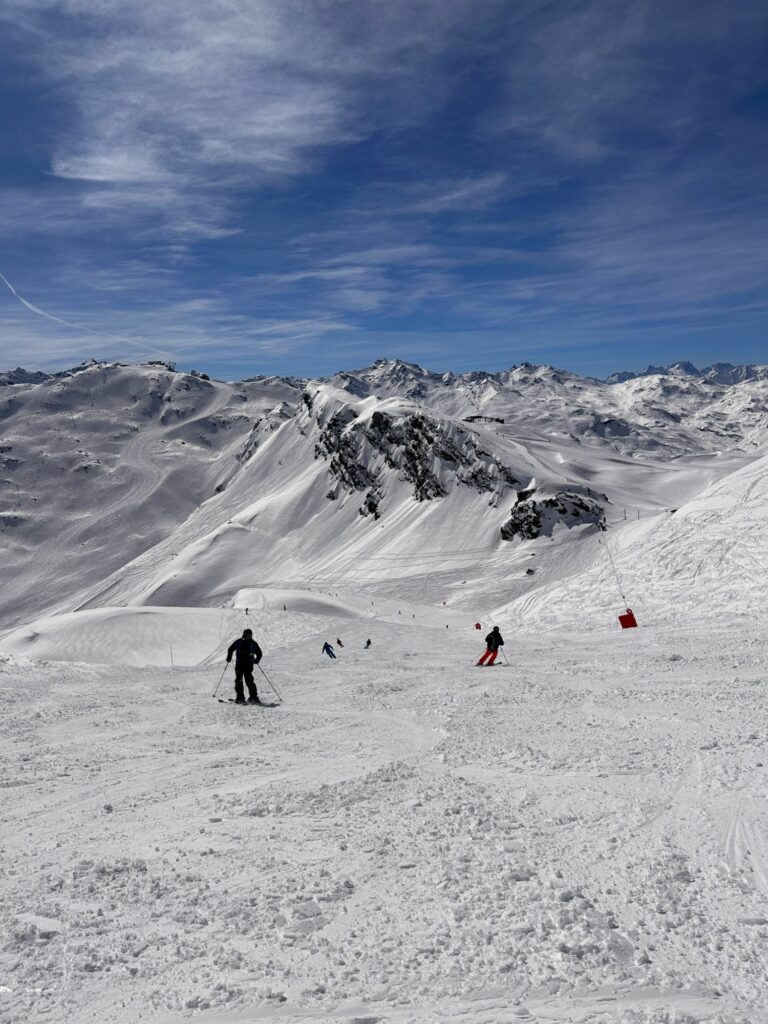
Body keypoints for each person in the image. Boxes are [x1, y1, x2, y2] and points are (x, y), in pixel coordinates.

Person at [226, 628, 263, 703]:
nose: (249, 636)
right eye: (247, 635)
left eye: (250, 635)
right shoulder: (239, 642)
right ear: (244, 635)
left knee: (249, 680)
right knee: (238, 681)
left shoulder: (253, 643)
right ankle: (240, 697)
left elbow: (259, 653)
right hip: (239, 664)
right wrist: (229, 657)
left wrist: (257, 660)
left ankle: (253, 697)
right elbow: (230, 649)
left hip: (248, 665)